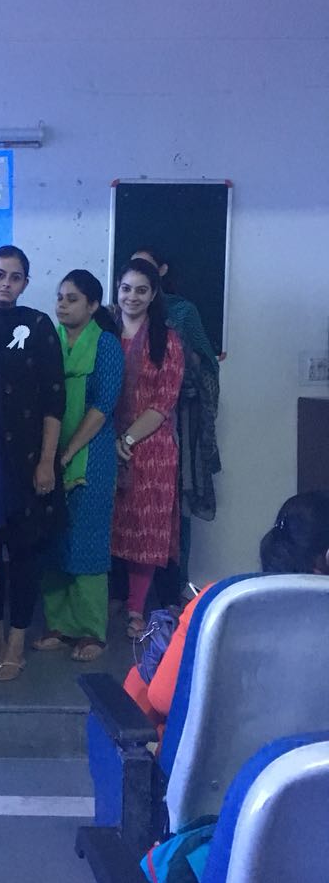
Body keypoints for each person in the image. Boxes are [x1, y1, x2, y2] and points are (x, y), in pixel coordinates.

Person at [125, 491, 329, 734]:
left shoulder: (221, 604)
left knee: (137, 690)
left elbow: (163, 699)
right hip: (312, 756)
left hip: (220, 757)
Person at [0, 244, 66, 680]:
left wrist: (47, 461)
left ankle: (17, 642)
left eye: (15, 277)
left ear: (25, 283)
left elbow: (54, 399)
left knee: (25, 553)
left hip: (30, 458)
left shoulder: (38, 325)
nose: (6, 283)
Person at [33, 271, 125, 661]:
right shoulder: (48, 339)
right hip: (48, 454)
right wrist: (48, 455)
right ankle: (59, 624)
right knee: (53, 538)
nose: (62, 305)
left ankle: (91, 632)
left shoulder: (106, 345)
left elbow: (103, 405)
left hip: (92, 456)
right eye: (60, 297)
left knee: (87, 542)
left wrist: (68, 452)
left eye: (72, 299)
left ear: (92, 305)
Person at [133, 245, 221, 604]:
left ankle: (173, 588)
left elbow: (206, 362)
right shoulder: (117, 317)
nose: (135, 289)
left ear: (162, 272)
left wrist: (183, 368)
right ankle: (130, 597)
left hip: (176, 418)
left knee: (174, 506)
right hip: (126, 422)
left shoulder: (183, 312)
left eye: (146, 271)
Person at [110, 259, 185, 638]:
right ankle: (110, 599)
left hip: (151, 448)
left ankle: (136, 609)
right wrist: (111, 440)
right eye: (126, 288)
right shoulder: (103, 333)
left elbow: (162, 403)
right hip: (104, 440)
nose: (132, 297)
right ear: (117, 289)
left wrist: (127, 440)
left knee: (145, 531)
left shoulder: (167, 340)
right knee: (109, 527)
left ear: (154, 294)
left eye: (142, 290)